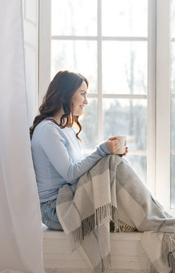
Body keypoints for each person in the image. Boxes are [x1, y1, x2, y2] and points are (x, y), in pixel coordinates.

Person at [30, 70, 127, 230]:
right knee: (111, 163)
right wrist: (102, 150)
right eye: (82, 94)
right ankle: (157, 219)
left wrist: (110, 151)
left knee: (114, 162)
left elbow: (79, 168)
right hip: (54, 209)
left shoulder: (68, 129)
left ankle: (155, 216)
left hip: (70, 199)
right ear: (65, 95)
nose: (86, 102)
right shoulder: (48, 129)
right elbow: (70, 173)